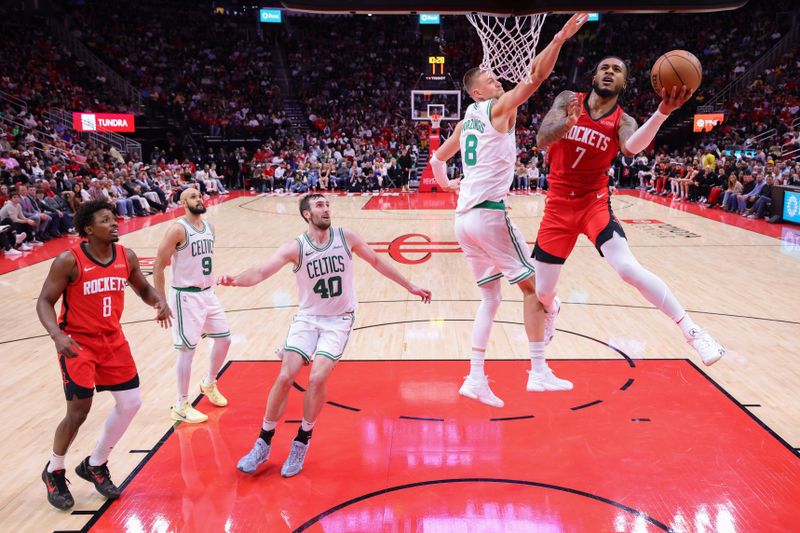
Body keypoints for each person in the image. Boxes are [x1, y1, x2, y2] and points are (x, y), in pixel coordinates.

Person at [429, 13, 588, 407]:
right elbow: (534, 79)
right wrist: (559, 38)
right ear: (478, 92)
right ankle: (538, 372)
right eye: (489, 78)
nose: (496, 79)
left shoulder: (466, 119)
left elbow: (437, 158)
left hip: (464, 220)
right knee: (540, 291)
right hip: (488, 215)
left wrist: (446, 181)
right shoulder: (497, 109)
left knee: (491, 299)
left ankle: (475, 378)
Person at [219, 193, 431, 477]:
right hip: (308, 318)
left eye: (328, 205)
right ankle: (263, 441)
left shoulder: (347, 237)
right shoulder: (297, 247)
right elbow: (259, 272)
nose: (326, 208)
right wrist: (236, 280)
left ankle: (302, 441)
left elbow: (378, 263)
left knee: (318, 377)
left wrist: (410, 286)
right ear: (307, 214)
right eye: (319, 205)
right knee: (285, 376)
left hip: (338, 320)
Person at [533, 56, 725, 366]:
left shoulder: (624, 122)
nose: (609, 72)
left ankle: (693, 332)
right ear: (594, 75)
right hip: (557, 206)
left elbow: (632, 148)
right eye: (604, 68)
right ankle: (552, 308)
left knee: (626, 268)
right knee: (542, 292)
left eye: (617, 70)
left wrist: (662, 113)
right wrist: (567, 123)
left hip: (592, 204)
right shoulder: (569, 99)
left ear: (624, 84)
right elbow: (543, 139)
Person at [36, 201, 171, 510]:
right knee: (79, 411)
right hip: (77, 343)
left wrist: (158, 302)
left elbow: (143, 288)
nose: (114, 223)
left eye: (114, 218)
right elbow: (44, 301)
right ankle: (54, 469)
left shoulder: (127, 256)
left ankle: (95, 464)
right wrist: (57, 336)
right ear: (88, 229)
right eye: (106, 220)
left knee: (131, 402)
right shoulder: (68, 261)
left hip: (113, 340)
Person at [153, 188, 232, 424]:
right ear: (183, 203)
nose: (200, 199)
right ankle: (181, 404)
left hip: (208, 294)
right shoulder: (178, 229)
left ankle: (208, 383)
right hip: (185, 296)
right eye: (193, 197)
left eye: (200, 196)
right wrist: (161, 302)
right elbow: (158, 265)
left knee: (225, 339)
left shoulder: (210, 228)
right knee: (188, 350)